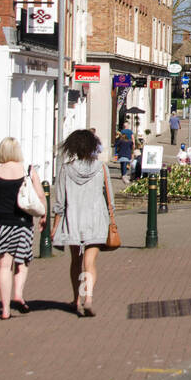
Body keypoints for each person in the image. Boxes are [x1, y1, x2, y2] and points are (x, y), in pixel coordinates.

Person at [0, 138, 45, 319]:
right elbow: (40, 195)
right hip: (22, 224)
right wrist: (43, 215)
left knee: (4, 266)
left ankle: (5, 309)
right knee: (22, 261)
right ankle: (18, 294)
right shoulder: (28, 170)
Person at [51, 129, 111, 317]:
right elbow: (109, 197)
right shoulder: (101, 167)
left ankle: (76, 299)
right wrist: (111, 218)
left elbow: (60, 201)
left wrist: (55, 225)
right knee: (90, 262)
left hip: (73, 220)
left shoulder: (66, 169)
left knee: (75, 261)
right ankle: (89, 298)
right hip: (95, 220)